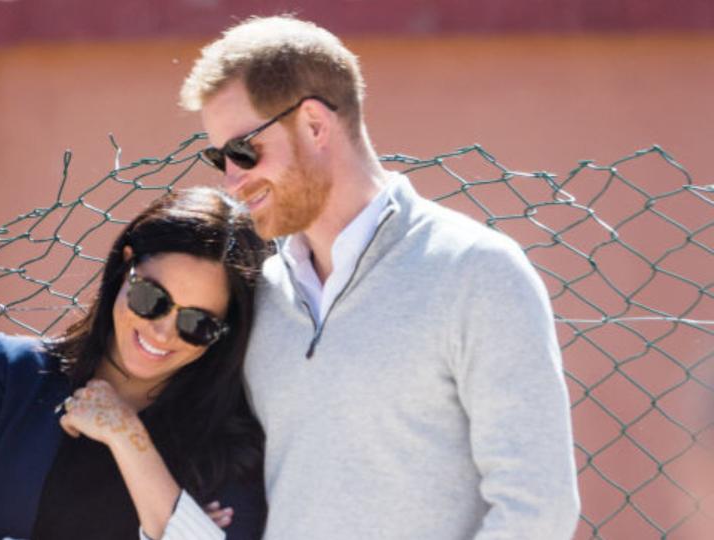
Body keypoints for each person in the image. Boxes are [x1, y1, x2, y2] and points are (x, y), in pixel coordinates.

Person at [179, 15, 581, 539]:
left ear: (315, 126)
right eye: (218, 158)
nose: (232, 181)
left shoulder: (477, 272)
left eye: (242, 151)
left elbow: (538, 509)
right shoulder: (262, 292)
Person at [0, 187, 269, 540]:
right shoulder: (10, 375)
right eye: (151, 298)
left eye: (198, 324)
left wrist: (129, 437)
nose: (162, 333)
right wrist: (177, 526)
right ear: (126, 264)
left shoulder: (231, 448)